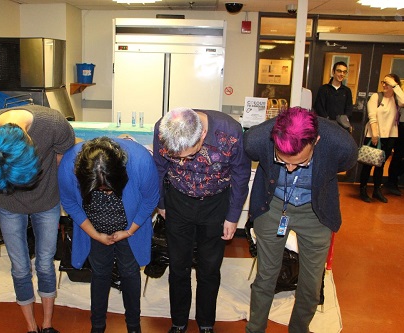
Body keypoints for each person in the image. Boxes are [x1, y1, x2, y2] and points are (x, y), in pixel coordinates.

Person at [243, 107, 358, 333]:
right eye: (281, 160)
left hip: (316, 210)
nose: (290, 168)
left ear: (316, 141)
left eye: (300, 162)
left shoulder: (340, 144)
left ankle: (299, 329)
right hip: (273, 205)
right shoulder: (256, 139)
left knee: (311, 284)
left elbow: (344, 164)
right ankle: (254, 329)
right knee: (266, 275)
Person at [0, 105, 75, 333]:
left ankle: (47, 324)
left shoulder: (54, 124)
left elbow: (62, 161)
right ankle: (31, 327)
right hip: (9, 205)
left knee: (45, 264)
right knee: (19, 267)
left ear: (31, 143)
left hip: (46, 200)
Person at [153, 107, 251, 333]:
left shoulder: (231, 132)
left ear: (203, 136)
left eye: (188, 154)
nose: (182, 161)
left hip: (216, 204)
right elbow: (159, 167)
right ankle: (178, 322)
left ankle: (206, 323)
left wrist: (233, 215)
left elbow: (240, 174)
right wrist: (161, 203)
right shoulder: (163, 128)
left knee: (209, 267)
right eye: (177, 157)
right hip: (178, 200)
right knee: (178, 266)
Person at [58, 136, 159, 333]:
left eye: (109, 188)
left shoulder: (140, 161)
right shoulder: (69, 164)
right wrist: (95, 234)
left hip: (129, 230)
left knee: (130, 273)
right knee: (100, 274)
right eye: (99, 189)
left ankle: (133, 326)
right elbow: (69, 202)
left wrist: (129, 231)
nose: (105, 193)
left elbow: (150, 199)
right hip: (95, 229)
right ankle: (97, 326)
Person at [359, 74, 404, 203]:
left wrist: (395, 86)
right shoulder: (376, 97)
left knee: (381, 165)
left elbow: (403, 101)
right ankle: (363, 189)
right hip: (374, 134)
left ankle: (376, 191)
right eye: (383, 82)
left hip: (390, 136)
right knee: (368, 164)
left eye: (387, 83)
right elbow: (372, 116)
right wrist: (375, 134)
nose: (384, 85)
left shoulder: (397, 99)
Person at [385, 79, 404, 196]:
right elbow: (402, 102)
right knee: (398, 155)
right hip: (402, 126)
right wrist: (396, 86)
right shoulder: (399, 92)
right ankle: (392, 182)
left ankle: (393, 179)